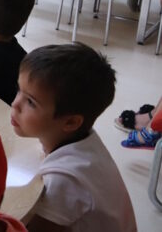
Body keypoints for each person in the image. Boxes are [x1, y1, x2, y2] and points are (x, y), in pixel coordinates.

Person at [11, 43, 137, 231]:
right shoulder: (84, 139)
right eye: (18, 90)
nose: (15, 104)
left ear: (70, 123)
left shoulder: (65, 179)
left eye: (30, 101)